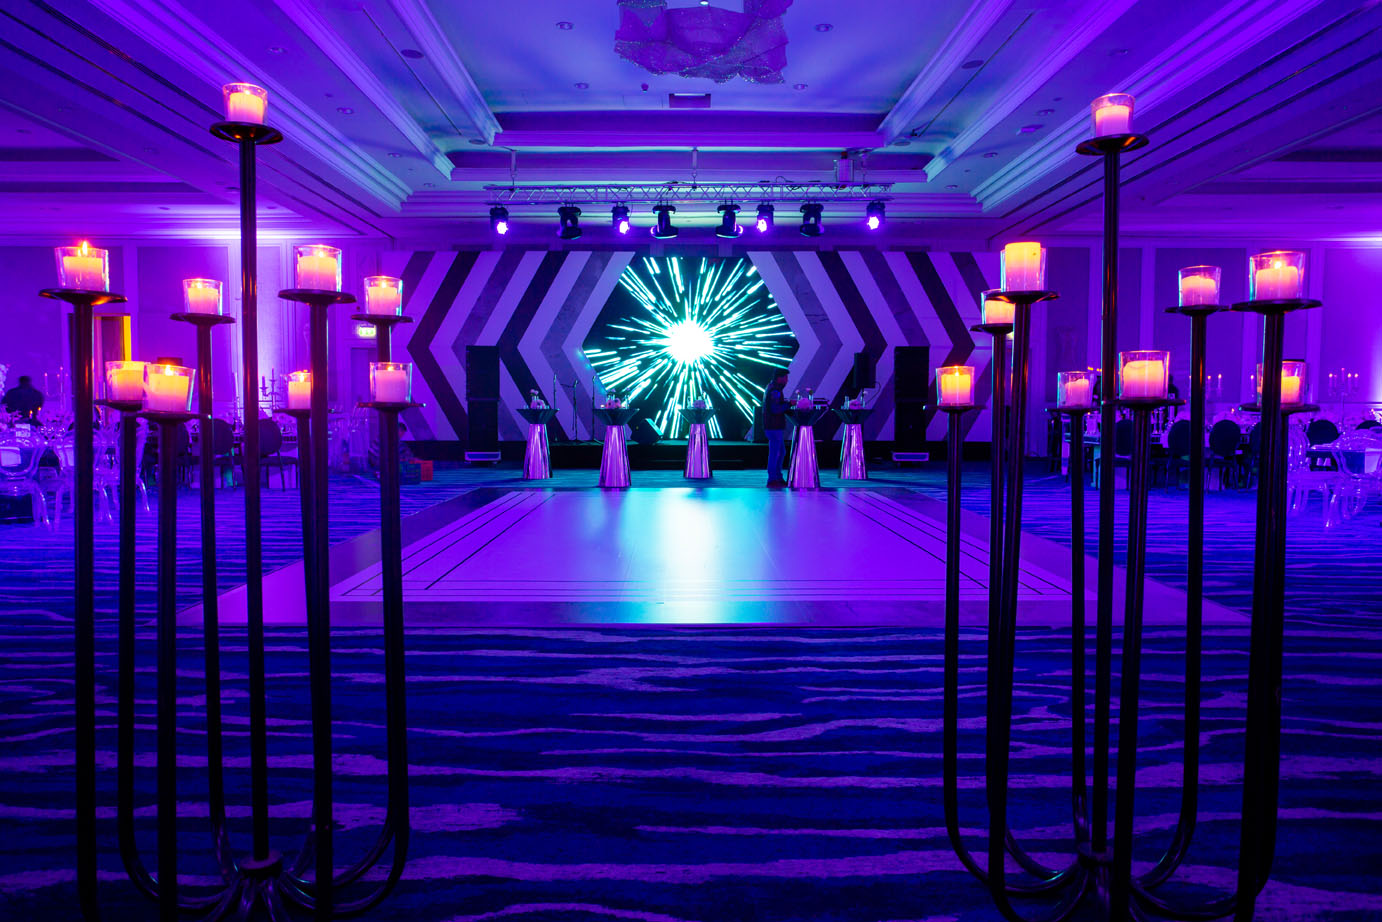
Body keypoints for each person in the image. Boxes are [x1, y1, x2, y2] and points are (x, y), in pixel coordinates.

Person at [762, 370, 788, 486]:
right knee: (776, 452)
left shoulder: (771, 387)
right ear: (779, 378)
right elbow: (775, 409)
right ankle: (773, 478)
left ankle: (777, 476)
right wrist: (789, 404)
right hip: (773, 425)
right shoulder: (775, 390)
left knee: (780, 451)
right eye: (785, 377)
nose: (787, 380)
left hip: (771, 425)